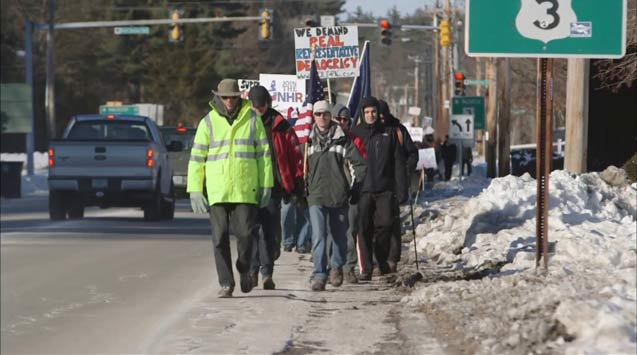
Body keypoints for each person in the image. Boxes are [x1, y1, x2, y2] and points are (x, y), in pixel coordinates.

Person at [187, 79, 273, 298]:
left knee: (245, 234)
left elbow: (264, 155)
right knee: (219, 237)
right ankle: (226, 283)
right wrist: (195, 189)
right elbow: (197, 158)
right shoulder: (208, 122)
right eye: (225, 97)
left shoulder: (252, 119)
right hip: (217, 190)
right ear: (218, 97)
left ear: (239, 97)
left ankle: (244, 269)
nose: (229, 101)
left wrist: (266, 185)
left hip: (245, 188)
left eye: (233, 97)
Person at [247, 85, 304, 290]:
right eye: (255, 107)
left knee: (269, 231)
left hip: (273, 185)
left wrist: (296, 184)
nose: (258, 110)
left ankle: (267, 273)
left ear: (268, 104)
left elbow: (295, 155)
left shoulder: (281, 126)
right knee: (252, 230)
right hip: (250, 186)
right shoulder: (245, 124)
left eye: (261, 106)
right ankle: (253, 270)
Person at [306, 100, 367, 291]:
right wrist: (301, 188)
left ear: (330, 116)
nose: (322, 117)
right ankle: (319, 274)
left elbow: (360, 165)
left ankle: (337, 266)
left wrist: (355, 187)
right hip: (316, 195)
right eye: (318, 114)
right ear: (313, 117)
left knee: (340, 237)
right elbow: (302, 169)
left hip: (338, 195)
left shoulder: (343, 139)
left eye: (325, 114)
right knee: (319, 236)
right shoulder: (308, 142)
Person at [350, 97, 407, 281]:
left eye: (373, 112)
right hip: (363, 189)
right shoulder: (355, 133)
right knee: (364, 228)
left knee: (386, 224)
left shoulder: (389, 133)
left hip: (385, 189)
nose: (370, 115)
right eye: (367, 112)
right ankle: (366, 267)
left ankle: (380, 258)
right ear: (362, 114)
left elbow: (398, 162)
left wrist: (402, 188)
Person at [378, 100, 418, 273]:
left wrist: (404, 169)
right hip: (375, 183)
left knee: (392, 221)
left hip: (394, 184)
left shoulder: (398, 130)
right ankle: (377, 257)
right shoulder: (370, 131)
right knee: (376, 222)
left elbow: (413, 154)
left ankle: (392, 257)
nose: (379, 118)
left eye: (382, 115)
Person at [332, 104, 367, 283]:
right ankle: (333, 267)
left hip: (351, 191)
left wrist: (355, 187)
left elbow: (360, 165)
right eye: (338, 119)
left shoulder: (355, 140)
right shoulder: (326, 138)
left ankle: (349, 267)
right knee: (331, 231)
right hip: (331, 192)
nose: (342, 123)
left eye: (345, 120)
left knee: (351, 229)